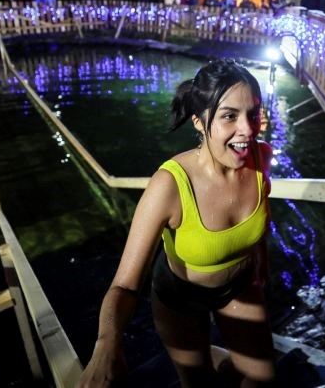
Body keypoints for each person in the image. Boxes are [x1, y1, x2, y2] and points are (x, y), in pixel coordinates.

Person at [77, 60, 276, 388]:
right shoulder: (169, 185)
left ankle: (213, 355)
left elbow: (261, 215)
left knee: (262, 378)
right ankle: (203, 355)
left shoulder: (261, 158)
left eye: (252, 114)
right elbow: (125, 284)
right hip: (180, 297)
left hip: (240, 284)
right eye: (229, 116)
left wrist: (261, 259)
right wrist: (106, 344)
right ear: (199, 122)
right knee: (199, 384)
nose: (248, 129)